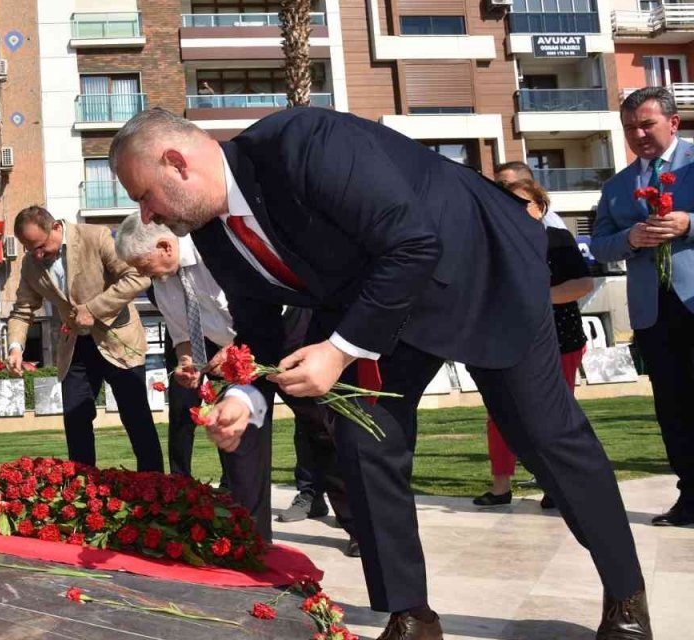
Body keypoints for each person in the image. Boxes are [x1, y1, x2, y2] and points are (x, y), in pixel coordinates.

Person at [110, 107, 649, 640]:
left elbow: (413, 242)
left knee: (543, 435)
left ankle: (626, 596)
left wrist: (338, 350)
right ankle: (411, 615)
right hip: (380, 305)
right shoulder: (209, 229)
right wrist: (247, 395)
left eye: (143, 197)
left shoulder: (305, 143)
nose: (149, 215)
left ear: (177, 162)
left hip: (480, 272)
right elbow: (255, 320)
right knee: (365, 437)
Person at [115, 213, 272, 542]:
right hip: (239, 361)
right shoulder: (161, 285)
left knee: (323, 431)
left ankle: (354, 522)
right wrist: (188, 363)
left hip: (282, 338)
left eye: (143, 266)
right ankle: (254, 542)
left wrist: (236, 349)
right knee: (242, 443)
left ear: (164, 246)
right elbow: (182, 335)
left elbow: (268, 306)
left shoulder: (217, 250)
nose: (142, 276)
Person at [592, 86, 694, 528]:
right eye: (629, 127)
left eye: (646, 124)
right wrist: (630, 239)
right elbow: (598, 245)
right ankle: (689, 496)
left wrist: (690, 222)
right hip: (653, 314)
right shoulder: (616, 187)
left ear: (673, 122)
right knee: (672, 408)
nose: (637, 134)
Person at [5, 206, 163, 472]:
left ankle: (155, 485)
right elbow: (22, 309)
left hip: (118, 340)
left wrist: (93, 309)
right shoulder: (31, 264)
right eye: (29, 248)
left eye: (41, 246)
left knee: (136, 417)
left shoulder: (96, 237)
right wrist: (15, 347)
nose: (37, 254)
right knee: (76, 418)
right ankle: (82, 490)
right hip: (75, 346)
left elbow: (137, 277)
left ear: (56, 227)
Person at [473, 179, 592, 509]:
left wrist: (537, 298)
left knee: (556, 416)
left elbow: (583, 284)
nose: (516, 210)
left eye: (524, 203)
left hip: (559, 339)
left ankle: (555, 485)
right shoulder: (488, 243)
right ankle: (500, 487)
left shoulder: (557, 239)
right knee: (499, 414)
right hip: (505, 340)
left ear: (541, 208)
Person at [279, 306, 358, 557]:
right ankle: (310, 493)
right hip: (257, 332)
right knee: (310, 422)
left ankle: (358, 526)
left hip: (300, 317)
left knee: (328, 427)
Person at [494, 161, 570, 231]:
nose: (497, 190)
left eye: (503, 184)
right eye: (495, 185)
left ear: (526, 185)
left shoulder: (551, 225)